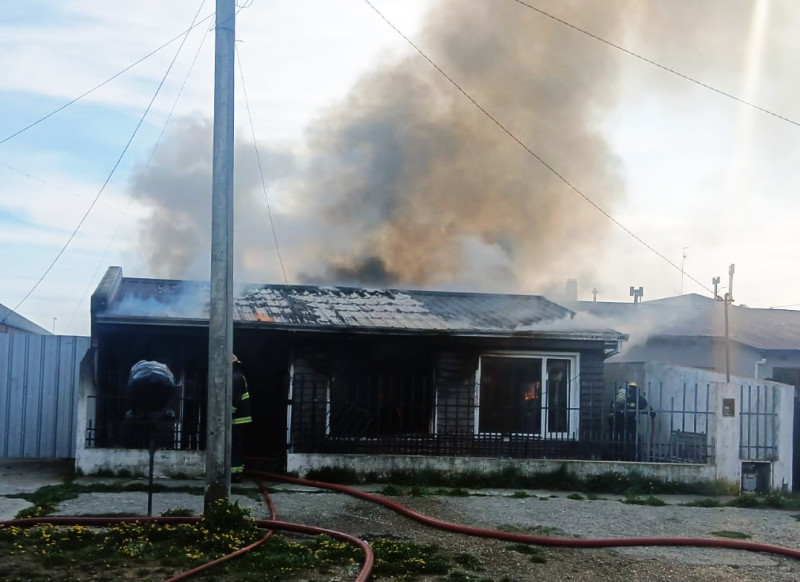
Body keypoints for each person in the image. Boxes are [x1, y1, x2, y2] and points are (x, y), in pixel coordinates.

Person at [609, 381, 655, 460]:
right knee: (634, 439)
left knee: (616, 439)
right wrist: (651, 413)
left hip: (616, 420)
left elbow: (612, 407)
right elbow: (650, 411)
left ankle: (615, 457)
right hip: (629, 421)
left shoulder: (620, 395)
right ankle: (632, 457)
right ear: (636, 389)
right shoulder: (637, 397)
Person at [231, 354, 252, 482]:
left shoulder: (235, 378)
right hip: (241, 418)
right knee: (236, 445)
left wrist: (229, 414)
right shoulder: (239, 376)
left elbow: (233, 398)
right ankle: (237, 471)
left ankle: (235, 473)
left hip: (237, 419)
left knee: (234, 446)